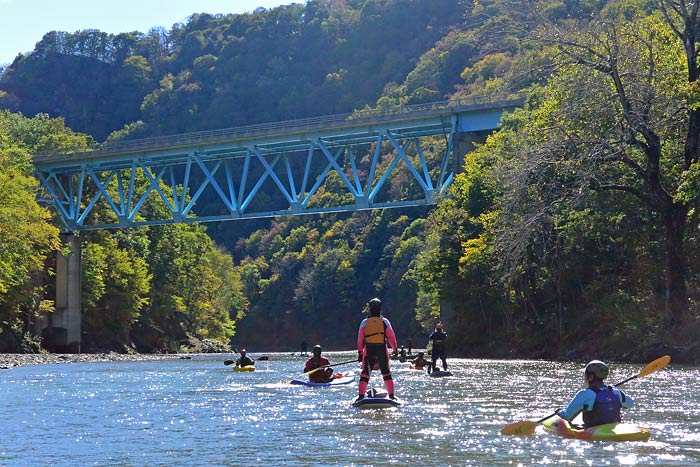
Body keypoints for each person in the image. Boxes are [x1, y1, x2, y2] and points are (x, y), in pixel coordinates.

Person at [556, 360, 634, 428]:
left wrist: (559, 412)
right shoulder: (615, 391)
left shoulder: (585, 394)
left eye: (586, 374)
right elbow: (630, 404)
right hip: (613, 430)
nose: (584, 377)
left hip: (593, 433)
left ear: (590, 377)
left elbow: (567, 416)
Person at [356, 297, 398, 401]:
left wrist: (360, 353)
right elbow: (391, 337)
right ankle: (392, 395)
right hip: (381, 350)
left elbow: (360, 340)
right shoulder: (385, 322)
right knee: (386, 372)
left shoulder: (364, 323)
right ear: (380, 309)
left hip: (369, 350)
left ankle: (361, 396)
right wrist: (395, 349)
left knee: (365, 373)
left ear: (370, 309)